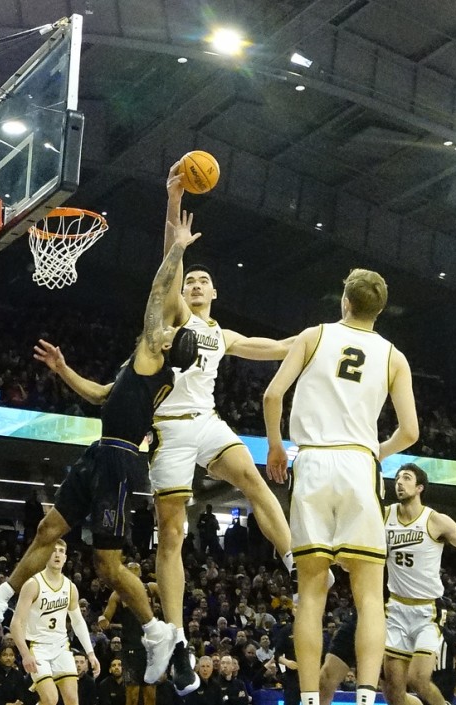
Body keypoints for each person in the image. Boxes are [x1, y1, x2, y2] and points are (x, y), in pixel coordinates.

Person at [0, 212, 205, 691]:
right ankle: (0, 596)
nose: (163, 326)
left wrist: (176, 249)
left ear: (170, 343)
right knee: (51, 526)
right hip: (100, 454)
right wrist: (63, 368)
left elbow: (156, 299)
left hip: (119, 463)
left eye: (170, 330)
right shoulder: (141, 368)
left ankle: (159, 633)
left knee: (107, 567)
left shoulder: (155, 354)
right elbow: (99, 396)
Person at [145, 164, 296, 694]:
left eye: (203, 280)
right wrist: (174, 214)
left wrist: (321, 337)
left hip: (207, 424)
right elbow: (170, 265)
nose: (195, 283)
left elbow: (276, 348)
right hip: (169, 427)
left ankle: (293, 559)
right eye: (191, 280)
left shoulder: (221, 333)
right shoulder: (179, 314)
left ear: (216, 291)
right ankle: (178, 639)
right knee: (172, 533)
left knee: (255, 480)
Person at [263, 268, 419, 705]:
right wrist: (376, 454)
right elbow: (409, 432)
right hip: (358, 462)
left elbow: (272, 396)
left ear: (344, 302)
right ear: (380, 309)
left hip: (312, 461)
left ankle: (311, 698)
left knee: (311, 593)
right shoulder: (393, 356)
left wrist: (276, 448)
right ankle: (367, 696)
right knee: (370, 595)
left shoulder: (314, 336)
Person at [317, 465, 456, 705]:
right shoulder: (383, 515)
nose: (400, 483)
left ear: (420, 487)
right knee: (394, 693)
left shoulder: (435, 521)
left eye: (407, 478)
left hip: (427, 610)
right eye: (398, 478)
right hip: (395, 609)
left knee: (418, 678)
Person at [11, 541, 99, 705]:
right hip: (37, 647)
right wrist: (24, 654)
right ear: (45, 555)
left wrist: (90, 653)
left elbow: (78, 622)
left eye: (61, 551)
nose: (57, 554)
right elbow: (16, 623)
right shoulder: (33, 584)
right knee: (51, 699)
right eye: (53, 551)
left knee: (72, 700)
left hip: (61, 646)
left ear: (65, 557)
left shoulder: (70, 587)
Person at [100, 565, 152, 705]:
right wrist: (102, 621)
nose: (133, 573)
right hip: (131, 647)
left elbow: (169, 594)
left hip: (151, 646)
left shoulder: (151, 588)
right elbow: (106, 616)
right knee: (132, 692)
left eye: (136, 570)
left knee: (150, 693)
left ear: (140, 573)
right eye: (130, 571)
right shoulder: (118, 594)